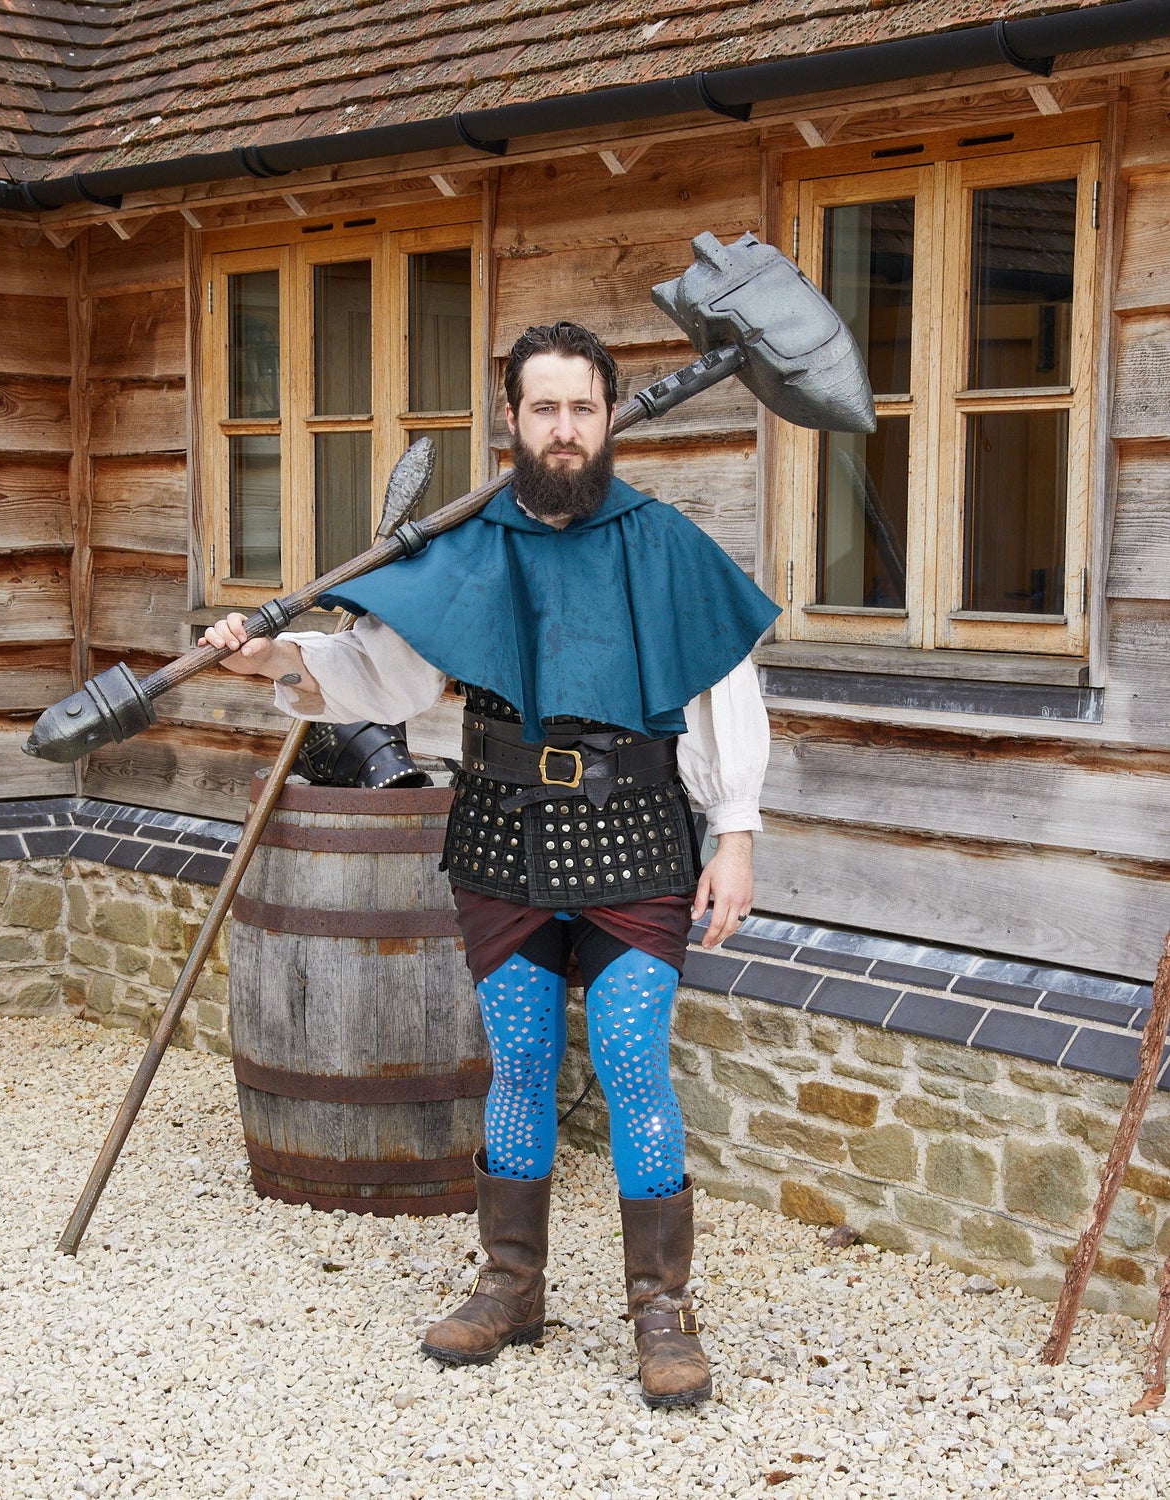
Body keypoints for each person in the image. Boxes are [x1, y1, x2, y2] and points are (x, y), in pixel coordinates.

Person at [200, 321, 777, 1409]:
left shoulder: (664, 545)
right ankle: (511, 1286)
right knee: (517, 1064)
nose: (564, 429)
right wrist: (271, 654)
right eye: (543, 407)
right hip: (503, 834)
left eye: (582, 408)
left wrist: (735, 832)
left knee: (632, 1061)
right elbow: (381, 674)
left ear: (608, 417)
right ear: (510, 417)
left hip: (637, 834)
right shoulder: (467, 546)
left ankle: (663, 1310)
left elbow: (723, 688)